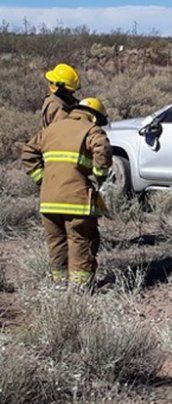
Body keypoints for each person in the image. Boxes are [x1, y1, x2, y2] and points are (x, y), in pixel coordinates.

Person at [21, 97, 112, 291]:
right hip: (76, 201)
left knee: (57, 243)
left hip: (49, 201)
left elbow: (28, 152)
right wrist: (100, 175)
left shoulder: (52, 129)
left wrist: (42, 178)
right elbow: (102, 148)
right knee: (80, 241)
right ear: (94, 117)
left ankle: (59, 286)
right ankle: (80, 289)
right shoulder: (91, 130)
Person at [41, 63, 80, 129]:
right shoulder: (55, 106)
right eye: (70, 90)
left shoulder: (64, 100)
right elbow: (64, 131)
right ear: (61, 88)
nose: (73, 92)